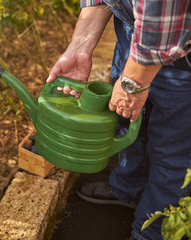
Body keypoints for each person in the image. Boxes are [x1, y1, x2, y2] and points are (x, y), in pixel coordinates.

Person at [47, 1, 191, 240]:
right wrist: (80, 46)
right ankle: (129, 189)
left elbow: (163, 16)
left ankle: (153, 232)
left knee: (173, 152)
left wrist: (133, 82)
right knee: (129, 122)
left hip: (182, 57)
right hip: (133, 37)